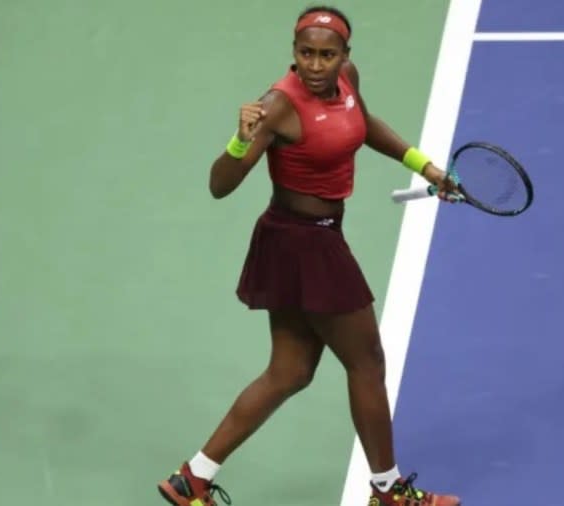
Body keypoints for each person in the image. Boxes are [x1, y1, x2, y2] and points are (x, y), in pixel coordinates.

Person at [158, 6, 461, 506]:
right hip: (304, 242)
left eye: (327, 54)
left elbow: (364, 125)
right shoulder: (278, 105)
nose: (316, 65)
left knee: (290, 371)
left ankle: (193, 477)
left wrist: (425, 167)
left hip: (304, 240)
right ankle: (388, 494)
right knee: (366, 360)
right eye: (306, 54)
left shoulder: (347, 80)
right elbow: (220, 185)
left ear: (345, 56)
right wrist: (239, 139)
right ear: (293, 53)